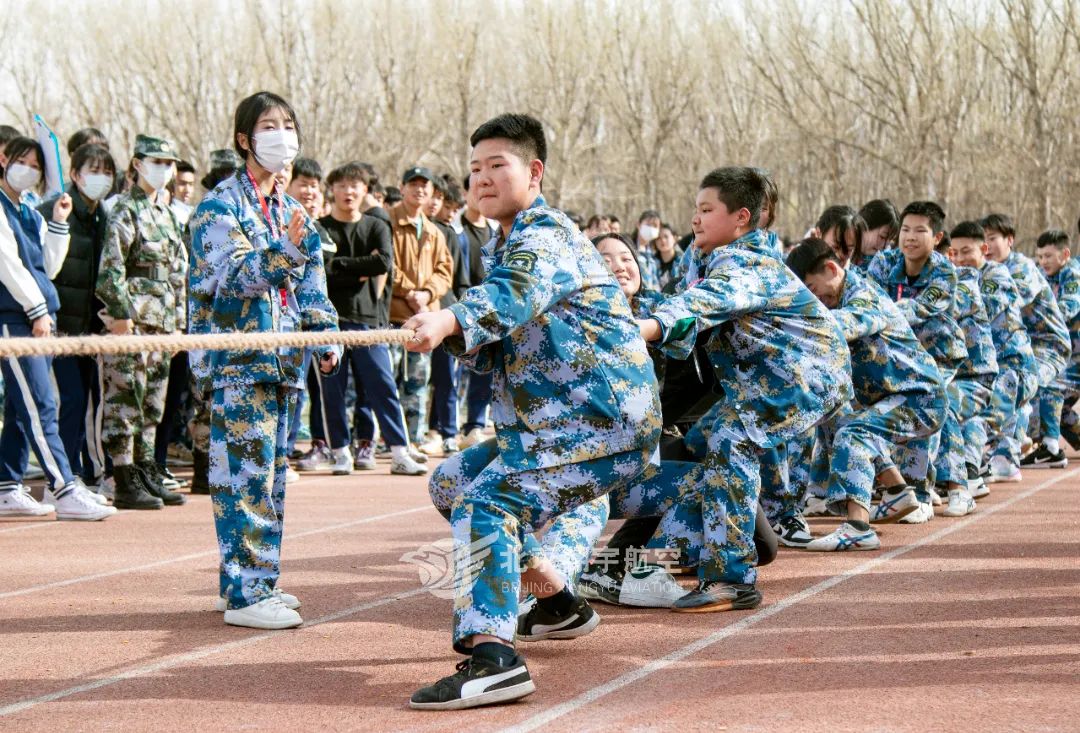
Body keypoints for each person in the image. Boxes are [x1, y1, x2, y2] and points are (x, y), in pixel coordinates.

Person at [402, 113, 661, 710]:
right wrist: (451, 331)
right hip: (563, 425)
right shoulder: (509, 240)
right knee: (452, 481)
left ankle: (493, 655)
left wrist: (447, 317)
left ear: (534, 172)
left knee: (485, 500)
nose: (483, 179)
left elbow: (509, 296)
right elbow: (504, 339)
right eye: (474, 170)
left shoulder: (544, 237)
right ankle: (555, 602)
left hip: (601, 423)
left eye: (498, 166)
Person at [189, 91, 341, 630]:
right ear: (243, 140)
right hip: (239, 362)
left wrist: (326, 336)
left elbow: (313, 289)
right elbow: (230, 277)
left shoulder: (295, 210)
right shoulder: (219, 206)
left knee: (273, 476)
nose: (282, 135)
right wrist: (288, 254)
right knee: (243, 477)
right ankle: (248, 592)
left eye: (288, 124)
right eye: (269, 125)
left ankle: (252, 581)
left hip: (286, 363)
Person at [787, 238, 945, 549]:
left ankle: (857, 527)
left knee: (854, 434)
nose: (813, 298)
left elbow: (841, 326)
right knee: (833, 414)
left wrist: (790, 325)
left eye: (812, 288)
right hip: (894, 397)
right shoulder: (842, 296)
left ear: (831, 269)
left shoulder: (863, 297)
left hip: (919, 398)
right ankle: (897, 491)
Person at [0, 136, 114, 521]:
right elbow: (9, 267)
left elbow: (47, 267)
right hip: (14, 320)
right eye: (23, 162)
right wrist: (35, 309)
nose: (29, 170)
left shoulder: (31, 212)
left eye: (36, 166)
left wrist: (60, 223)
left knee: (21, 406)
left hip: (36, 319)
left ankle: (6, 483)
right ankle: (64, 485)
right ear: (4, 159)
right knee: (42, 404)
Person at [96, 135, 189, 510]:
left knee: (153, 403)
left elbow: (179, 272)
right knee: (124, 401)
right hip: (133, 321)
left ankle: (147, 468)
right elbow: (111, 270)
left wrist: (180, 323)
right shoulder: (126, 210)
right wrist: (120, 315)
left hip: (163, 322)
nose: (164, 170)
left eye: (170, 163)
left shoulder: (166, 214)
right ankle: (123, 475)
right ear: (136, 164)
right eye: (157, 161)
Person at [317, 161, 425, 476]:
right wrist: (360, 267)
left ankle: (399, 452)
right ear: (332, 189)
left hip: (369, 322)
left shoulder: (376, 225)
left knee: (383, 385)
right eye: (341, 185)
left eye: (355, 185)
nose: (348, 191)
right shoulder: (320, 227)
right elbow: (322, 269)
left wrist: (342, 266)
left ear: (366, 191)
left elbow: (383, 265)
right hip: (330, 322)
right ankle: (339, 451)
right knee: (332, 389)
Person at [867, 201, 968, 522]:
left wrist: (882, 313)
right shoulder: (884, 263)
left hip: (938, 355)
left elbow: (921, 309)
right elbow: (866, 299)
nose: (910, 237)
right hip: (897, 355)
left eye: (920, 231)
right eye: (906, 230)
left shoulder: (943, 271)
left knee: (925, 410)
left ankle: (921, 494)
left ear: (937, 237)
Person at [41, 143, 116, 498]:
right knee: (70, 400)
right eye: (93, 170)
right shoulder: (57, 210)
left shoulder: (106, 216)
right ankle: (62, 477)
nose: (100, 178)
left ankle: (83, 474)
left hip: (93, 328)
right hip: (60, 328)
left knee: (91, 403)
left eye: (106, 171)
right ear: (74, 174)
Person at [948, 221, 1037, 500]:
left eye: (967, 251)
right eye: (955, 253)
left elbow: (976, 309)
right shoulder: (958, 278)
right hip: (988, 370)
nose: (961, 259)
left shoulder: (995, 276)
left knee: (981, 417)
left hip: (1014, 367)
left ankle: (971, 474)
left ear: (984, 250)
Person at [980, 213, 1070, 481]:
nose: (988, 246)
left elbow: (1004, 305)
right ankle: (1004, 452)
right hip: (1018, 347)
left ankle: (1006, 457)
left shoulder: (1021, 268)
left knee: (1016, 383)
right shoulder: (985, 270)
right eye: (983, 240)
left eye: (992, 239)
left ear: (1009, 240)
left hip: (1048, 346)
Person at [388, 166, 452, 444]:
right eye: (413, 184)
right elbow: (386, 264)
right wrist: (408, 291)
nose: (419, 190)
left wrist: (426, 293)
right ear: (402, 188)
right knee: (386, 381)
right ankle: (382, 440)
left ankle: (414, 439)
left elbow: (444, 270)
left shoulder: (434, 231)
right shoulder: (386, 221)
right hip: (393, 317)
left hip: (424, 320)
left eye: (424, 185)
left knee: (418, 383)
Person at [452, 172, 497, 449]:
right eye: (474, 188)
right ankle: (446, 428)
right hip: (458, 307)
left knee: (485, 372)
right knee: (453, 374)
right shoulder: (454, 228)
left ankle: (475, 425)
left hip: (490, 310)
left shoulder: (497, 230)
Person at [1027, 229, 1080, 466]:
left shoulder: (1073, 276)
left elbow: (1067, 310)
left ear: (1065, 254)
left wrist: (1037, 318)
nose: (1043, 262)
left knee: (1049, 384)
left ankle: (1049, 446)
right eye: (1039, 256)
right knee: (1055, 406)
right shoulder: (1040, 277)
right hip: (1061, 355)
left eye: (1048, 256)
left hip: (1075, 357)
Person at [169, 159, 197, 225]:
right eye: (182, 183)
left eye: (191, 184)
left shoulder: (195, 212)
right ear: (171, 184)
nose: (187, 190)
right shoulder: (166, 212)